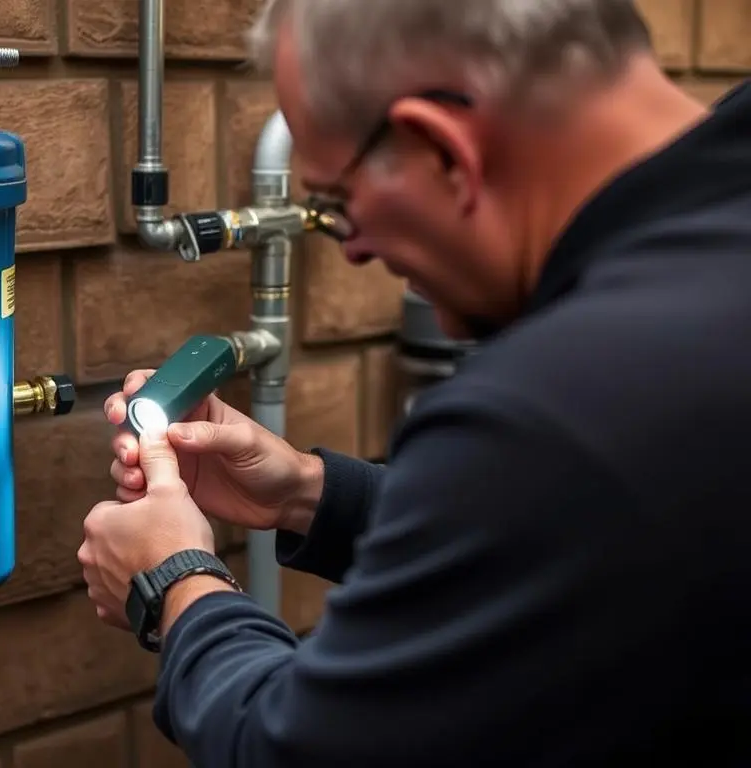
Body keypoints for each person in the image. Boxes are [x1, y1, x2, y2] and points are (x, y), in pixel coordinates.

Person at [76, 0, 751, 764]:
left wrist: (175, 584)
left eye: (340, 203)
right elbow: (585, 521)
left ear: (442, 148)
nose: (354, 250)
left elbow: (301, 750)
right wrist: (310, 493)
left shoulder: (560, 405)